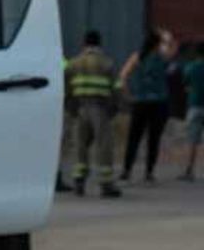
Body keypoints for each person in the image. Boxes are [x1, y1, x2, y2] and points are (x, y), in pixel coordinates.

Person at [64, 30, 121, 197]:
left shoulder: (73, 64)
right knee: (104, 146)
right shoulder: (107, 63)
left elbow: (67, 90)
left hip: (80, 109)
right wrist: (114, 109)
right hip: (100, 109)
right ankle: (106, 184)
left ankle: (79, 182)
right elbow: (115, 89)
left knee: (80, 145)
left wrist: (71, 108)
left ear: (84, 44)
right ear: (99, 44)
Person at [120, 31, 171, 183]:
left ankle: (126, 170)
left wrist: (128, 95)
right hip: (159, 103)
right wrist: (165, 36)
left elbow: (123, 76)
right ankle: (149, 172)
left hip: (140, 102)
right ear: (158, 43)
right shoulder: (163, 56)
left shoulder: (137, 57)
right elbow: (171, 44)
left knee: (133, 137)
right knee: (153, 139)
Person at [179, 44, 204, 181]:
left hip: (194, 105)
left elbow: (186, 85)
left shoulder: (191, 67)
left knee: (192, 140)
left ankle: (189, 170)